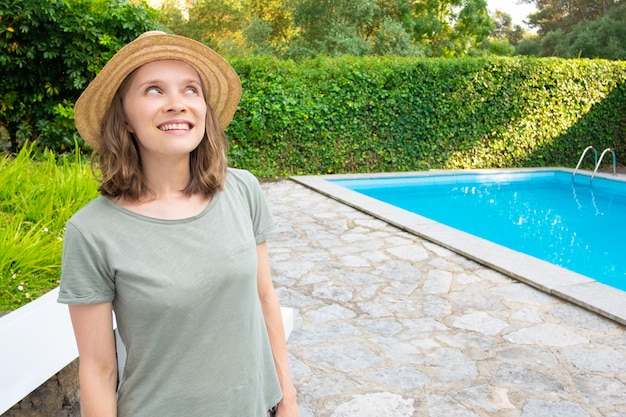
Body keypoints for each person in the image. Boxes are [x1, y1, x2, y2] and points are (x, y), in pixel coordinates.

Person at [57, 31, 299, 417]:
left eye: (191, 90)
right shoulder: (92, 232)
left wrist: (288, 401)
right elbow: (99, 370)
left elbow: (265, 298)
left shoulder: (242, 190)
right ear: (126, 118)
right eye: (154, 90)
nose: (177, 104)